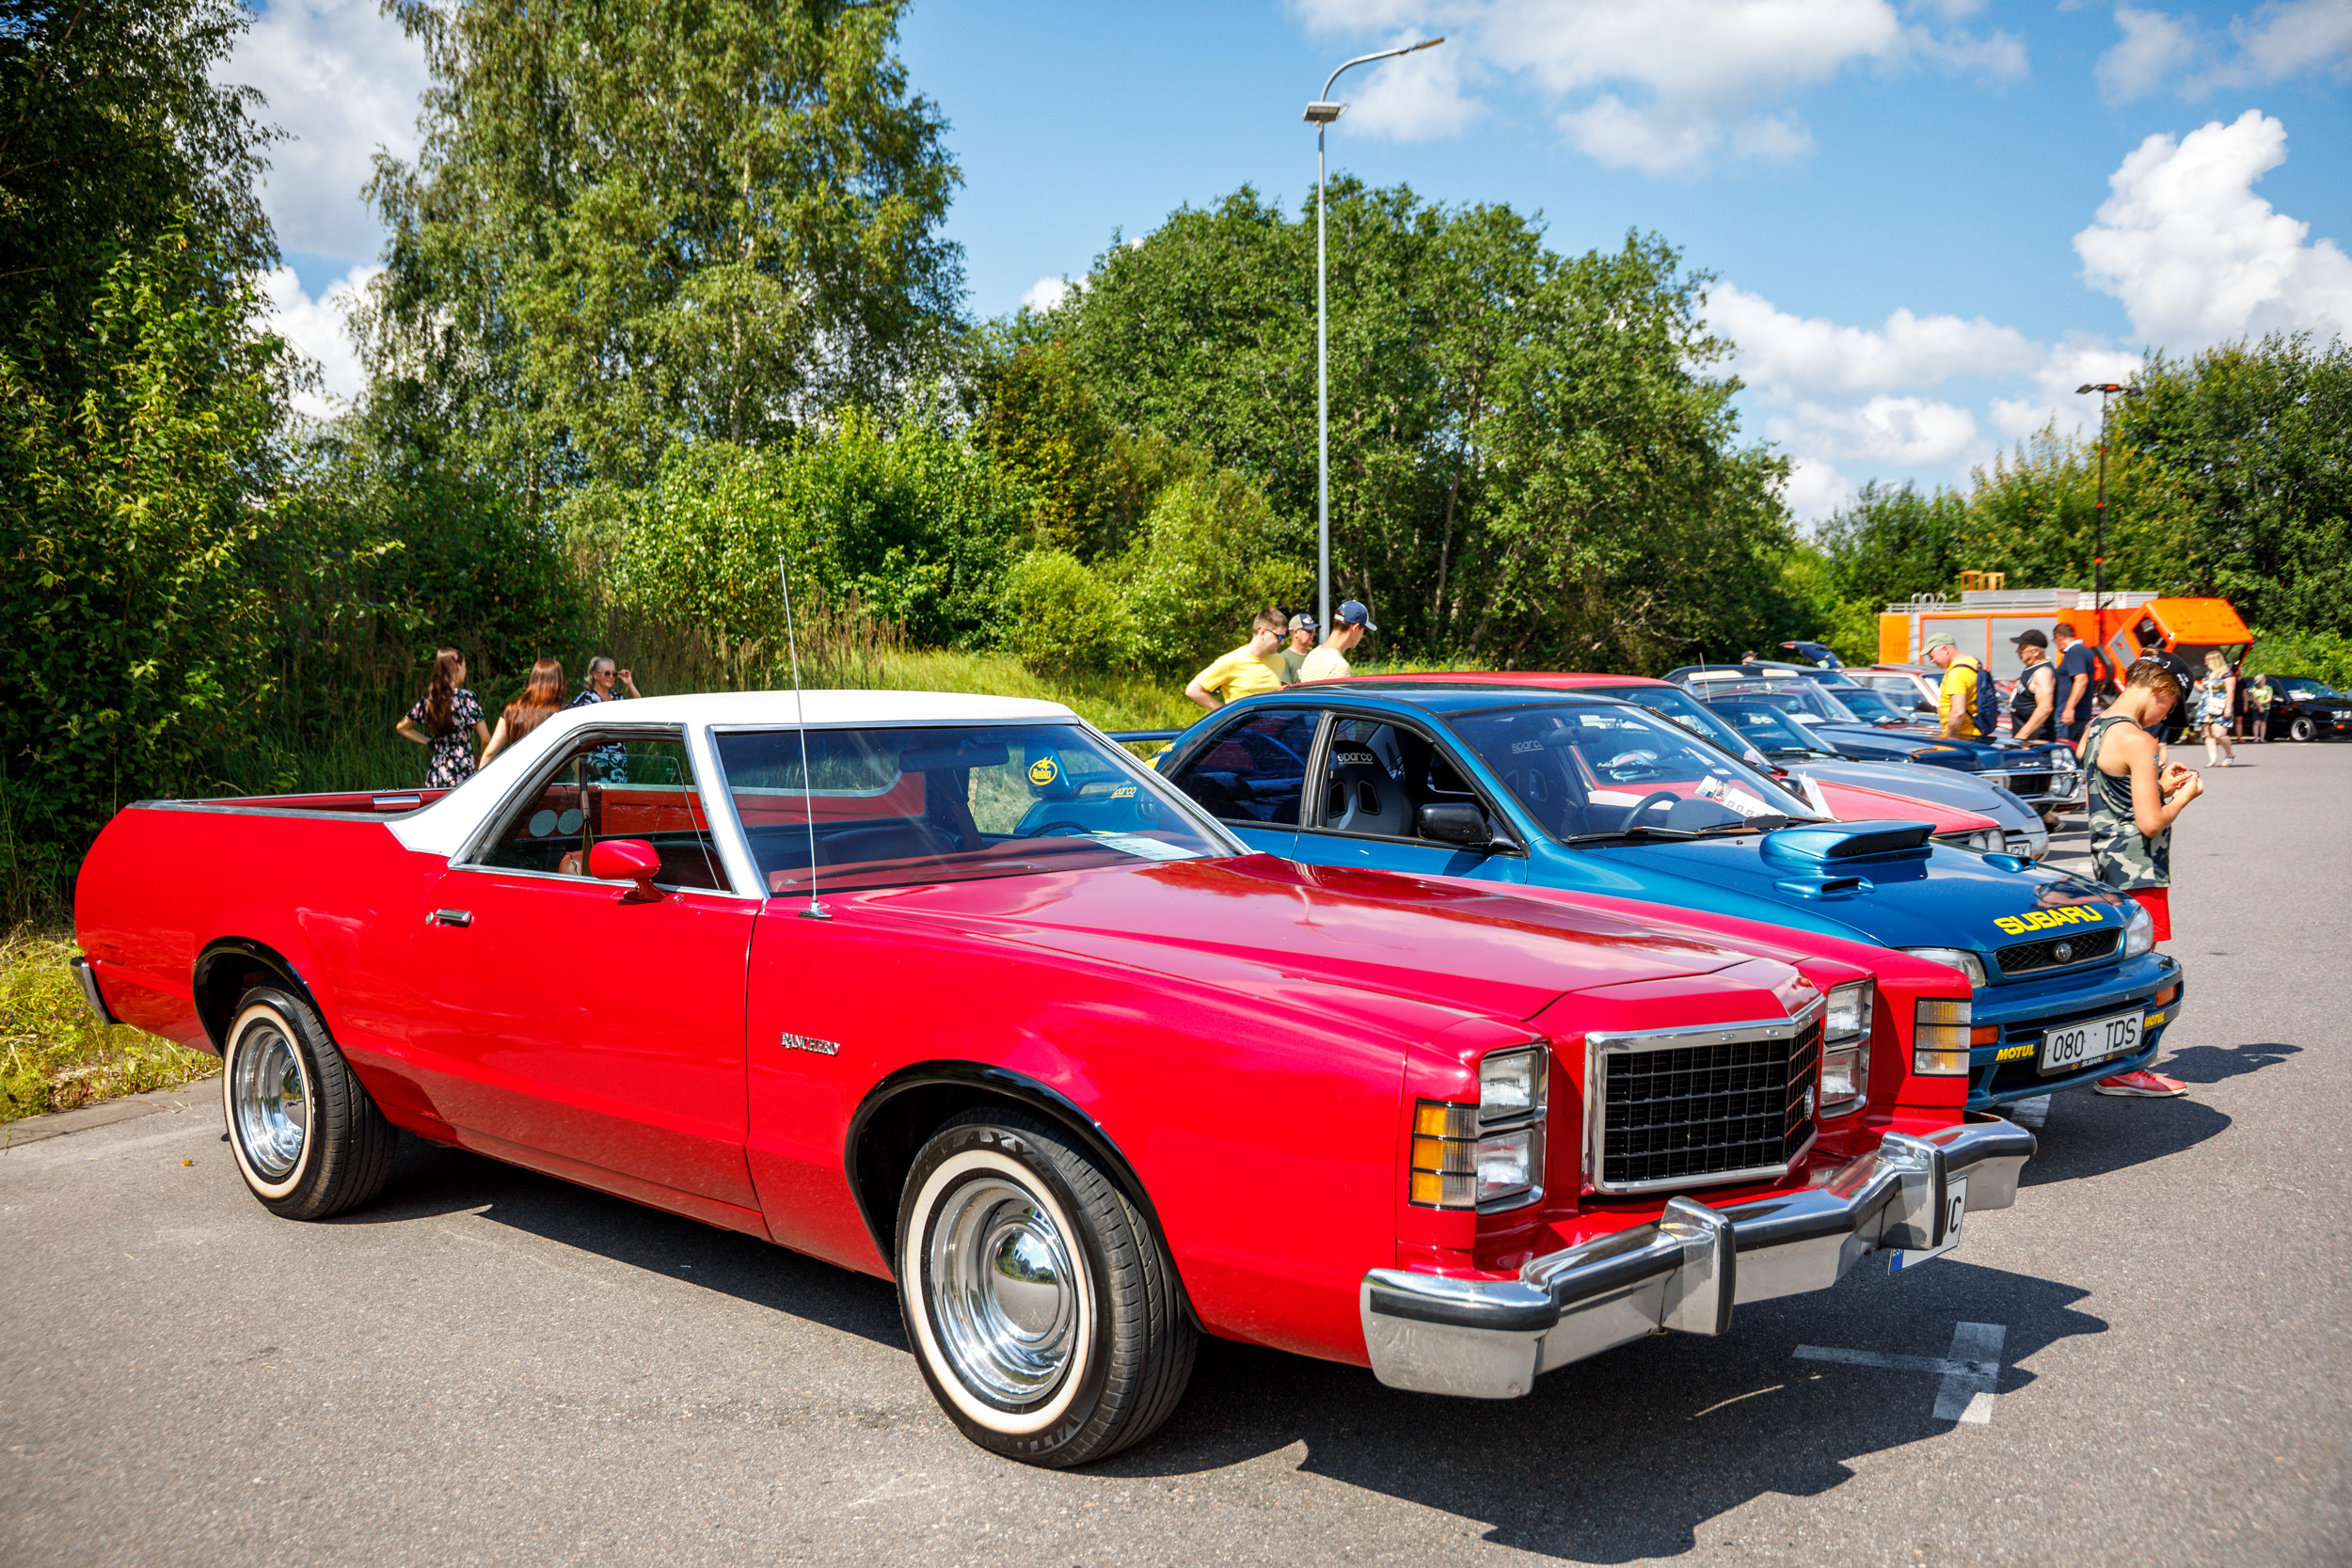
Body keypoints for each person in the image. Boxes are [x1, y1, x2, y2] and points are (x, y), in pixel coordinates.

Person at [2081, 655, 2203, 1097]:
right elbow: (2150, 823)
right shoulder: (2139, 739)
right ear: (2159, 688)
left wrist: (2158, 785)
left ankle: (2107, 1062)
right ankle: (2123, 1068)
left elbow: (2113, 798)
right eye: (2170, 704)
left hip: (2106, 866)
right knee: (2136, 973)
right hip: (2139, 869)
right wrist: (2184, 796)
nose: (2167, 715)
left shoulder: (2095, 728)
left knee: (2114, 967)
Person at [395, 647, 489, 788]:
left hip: (437, 774)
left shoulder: (430, 699)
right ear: (458, 666)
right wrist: (481, 757)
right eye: (464, 666)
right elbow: (485, 738)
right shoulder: (467, 698)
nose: (465, 670)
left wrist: (428, 742)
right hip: (463, 772)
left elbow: (402, 727)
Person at [1184, 610, 1288, 710]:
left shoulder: (1279, 661)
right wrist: (1225, 712)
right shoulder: (1231, 661)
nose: (1282, 643)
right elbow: (1193, 690)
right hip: (1244, 723)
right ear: (1263, 632)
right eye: (1279, 637)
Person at [480, 657, 567, 767]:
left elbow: (490, 753)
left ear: (533, 679)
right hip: (551, 774)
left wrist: (479, 776)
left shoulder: (513, 710)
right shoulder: (564, 711)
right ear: (560, 682)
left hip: (521, 776)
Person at [572, 657, 644, 781]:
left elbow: (640, 709)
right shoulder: (586, 699)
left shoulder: (617, 698)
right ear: (595, 675)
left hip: (618, 764)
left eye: (614, 673)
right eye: (606, 673)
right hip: (595, 764)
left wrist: (630, 684)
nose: (611, 677)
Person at [1922, 632, 1986, 739]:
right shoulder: (1973, 662)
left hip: (1962, 736)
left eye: (1932, 656)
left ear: (1945, 649)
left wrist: (1949, 736)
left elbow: (1958, 711)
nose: (1931, 661)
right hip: (1976, 731)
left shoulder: (1957, 673)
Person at [1298, 600, 1375, 683]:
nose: (1362, 636)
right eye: (1364, 631)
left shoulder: (1312, 655)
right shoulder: (1339, 667)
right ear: (1355, 628)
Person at [2051, 622, 2098, 743]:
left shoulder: (2075, 651)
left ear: (2058, 637)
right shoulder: (2082, 651)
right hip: (2078, 714)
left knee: (2061, 749)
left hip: (2068, 716)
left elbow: (2081, 680)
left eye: (2054, 641)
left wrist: (2069, 708)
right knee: (2073, 749)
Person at [2009, 628, 2058, 743]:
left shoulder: (2043, 673)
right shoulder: (2031, 669)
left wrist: (2021, 736)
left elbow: (2045, 708)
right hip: (2027, 740)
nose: (2017, 651)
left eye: (2022, 648)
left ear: (2035, 651)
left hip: (2035, 742)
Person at [2197, 650, 2238, 768]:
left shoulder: (2227, 674)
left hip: (2220, 705)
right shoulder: (2208, 674)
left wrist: (2228, 708)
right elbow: (2203, 689)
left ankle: (2229, 754)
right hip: (2206, 706)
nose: (2205, 663)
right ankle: (2212, 760)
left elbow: (2230, 692)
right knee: (2208, 734)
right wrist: (2193, 683)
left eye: (2207, 661)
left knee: (2219, 733)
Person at [1278, 613, 1317, 685]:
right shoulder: (1283, 659)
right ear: (1296, 632)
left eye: (1314, 630)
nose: (1313, 634)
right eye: (1309, 631)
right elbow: (1286, 689)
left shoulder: (1315, 656)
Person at [2249, 673, 2273, 742]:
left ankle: (2262, 738)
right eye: (2257, 682)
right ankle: (2256, 738)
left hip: (2266, 708)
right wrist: (2259, 706)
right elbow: (2253, 698)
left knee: (2263, 722)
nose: (2258, 683)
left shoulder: (2268, 688)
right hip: (2255, 707)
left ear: (2264, 680)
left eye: (2260, 682)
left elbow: (2269, 698)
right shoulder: (2254, 688)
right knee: (2256, 722)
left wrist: (2261, 704)